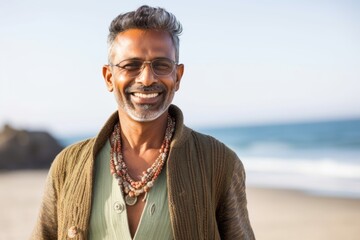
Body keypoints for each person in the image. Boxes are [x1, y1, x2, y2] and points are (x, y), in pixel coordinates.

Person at [31, 5, 255, 240]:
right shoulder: (68, 166)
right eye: (131, 65)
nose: (147, 78)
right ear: (109, 77)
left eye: (161, 65)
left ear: (177, 77)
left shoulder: (219, 162)